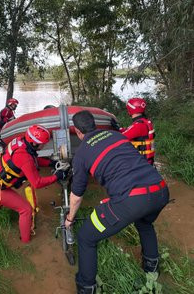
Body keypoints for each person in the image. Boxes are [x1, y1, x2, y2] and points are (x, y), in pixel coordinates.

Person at [65, 110, 169, 294]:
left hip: (131, 200)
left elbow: (77, 195)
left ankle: (86, 287)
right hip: (160, 189)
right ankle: (151, 271)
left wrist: (70, 219)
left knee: (86, 237)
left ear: (77, 131)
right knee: (145, 224)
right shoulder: (116, 135)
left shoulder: (81, 154)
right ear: (95, 124)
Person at [0, 124, 68, 243]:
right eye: (42, 144)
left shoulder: (20, 141)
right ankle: (26, 241)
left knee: (2, 196)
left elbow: (32, 160)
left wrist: (50, 163)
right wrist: (56, 176)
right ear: (34, 143)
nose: (43, 146)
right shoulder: (24, 157)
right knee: (26, 209)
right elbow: (37, 183)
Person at [120, 97, 155, 165]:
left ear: (131, 109)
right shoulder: (144, 122)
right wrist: (119, 129)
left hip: (141, 161)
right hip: (148, 160)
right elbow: (130, 130)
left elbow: (121, 137)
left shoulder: (138, 125)